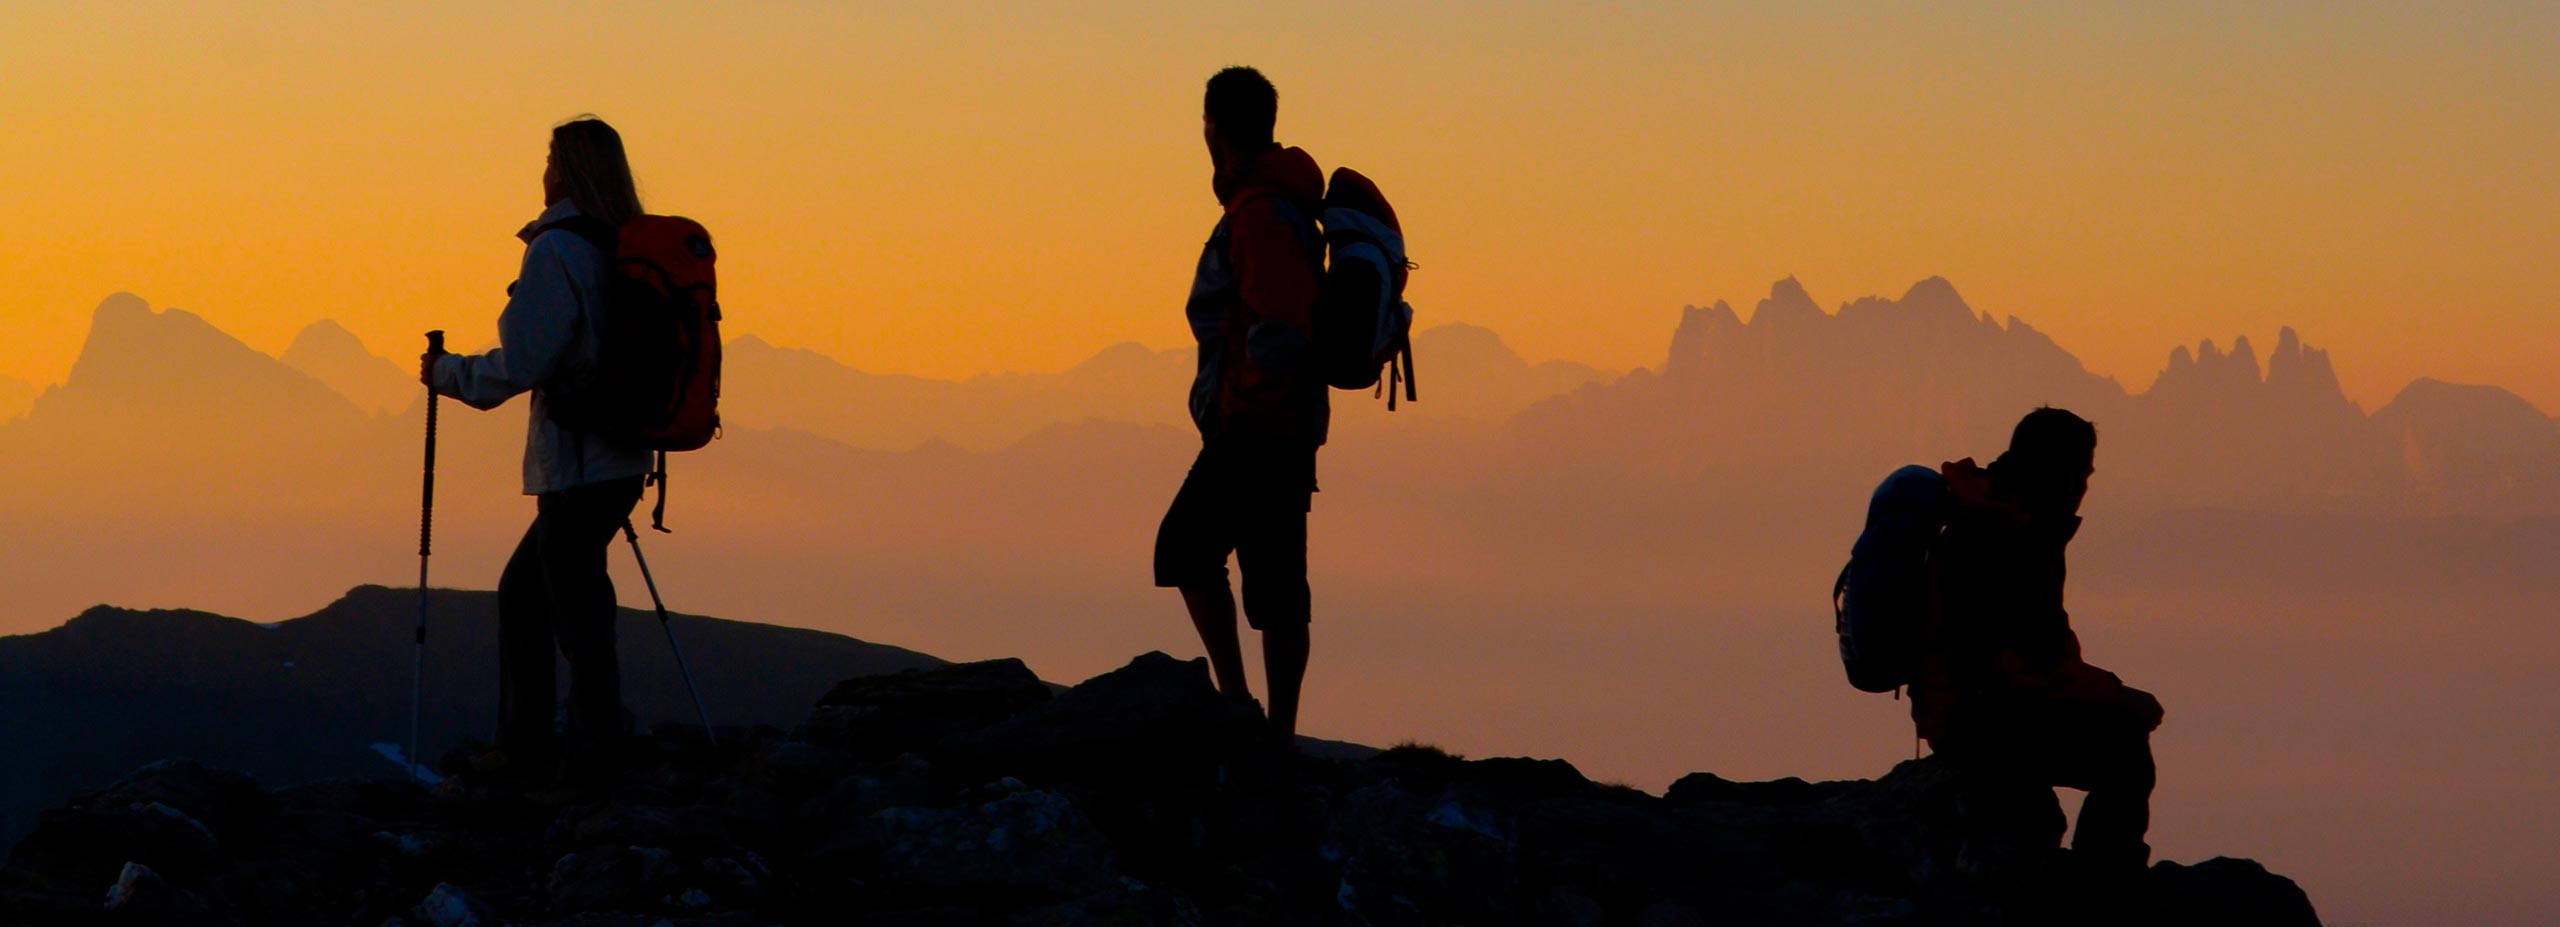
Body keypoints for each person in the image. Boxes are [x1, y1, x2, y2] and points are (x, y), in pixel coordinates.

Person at [419, 115, 654, 788]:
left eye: (550, 159)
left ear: (567, 170)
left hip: (578, 461)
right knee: (545, 594)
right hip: (625, 456)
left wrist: (446, 373)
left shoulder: (556, 249)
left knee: (557, 605)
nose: (542, 171)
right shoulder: (624, 242)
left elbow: (523, 360)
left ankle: (565, 753)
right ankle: (567, 742)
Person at [1911, 407, 2166, 898]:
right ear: (2053, 470)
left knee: (2119, 732)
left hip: (1976, 707)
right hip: (1973, 718)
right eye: (2080, 473)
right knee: (2123, 750)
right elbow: (2024, 664)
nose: (2084, 488)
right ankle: (2106, 890)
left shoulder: (2009, 522)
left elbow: (2046, 652)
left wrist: (2104, 691)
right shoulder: (1999, 536)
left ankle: (2100, 880)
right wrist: (2116, 695)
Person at [1153, 66, 1328, 742]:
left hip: (1257, 430)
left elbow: (1280, 324)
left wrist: (1241, 411)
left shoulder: (1259, 212)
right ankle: (1276, 737)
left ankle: (1238, 706)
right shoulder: (1282, 204)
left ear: (1214, 129)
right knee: (1279, 586)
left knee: (1185, 549)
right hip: (1288, 429)